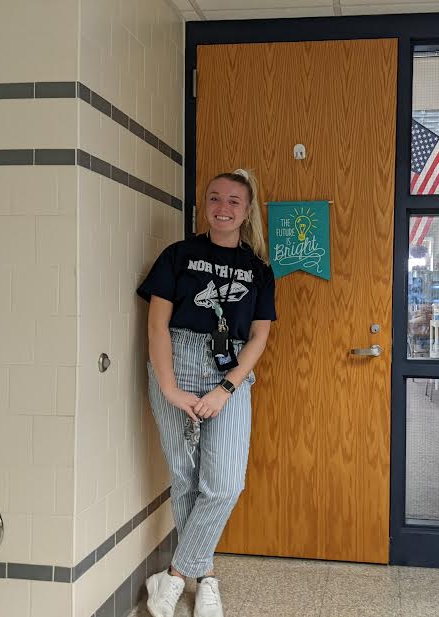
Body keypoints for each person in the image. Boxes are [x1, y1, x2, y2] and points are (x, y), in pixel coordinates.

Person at [137, 169, 276, 617]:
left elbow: (258, 337)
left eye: (234, 201)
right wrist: (169, 387)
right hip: (175, 362)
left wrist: (226, 388)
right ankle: (206, 575)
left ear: (247, 209)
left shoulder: (258, 270)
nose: (223, 207)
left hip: (228, 373)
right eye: (215, 198)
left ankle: (176, 574)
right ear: (204, 205)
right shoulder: (178, 255)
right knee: (185, 475)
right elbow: (157, 325)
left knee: (225, 484)